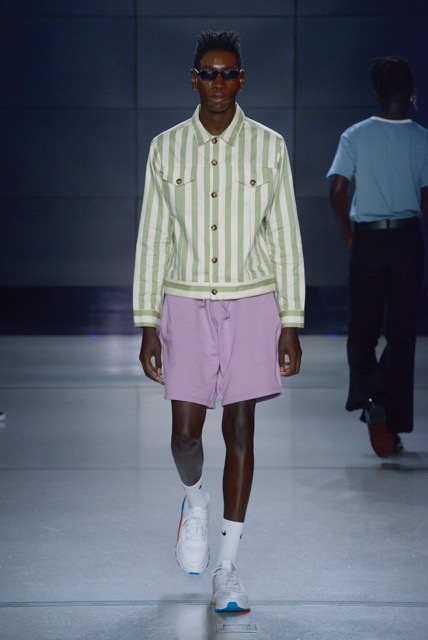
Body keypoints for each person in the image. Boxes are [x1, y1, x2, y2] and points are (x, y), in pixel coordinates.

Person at [133, 29, 305, 612]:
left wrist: (290, 319)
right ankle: (196, 501)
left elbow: (285, 235)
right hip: (184, 301)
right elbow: (153, 237)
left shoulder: (269, 147)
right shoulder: (165, 148)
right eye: (209, 73)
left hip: (252, 302)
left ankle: (227, 570)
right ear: (194, 79)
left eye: (229, 73)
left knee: (241, 431)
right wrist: (148, 322)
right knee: (185, 434)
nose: (218, 83)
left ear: (242, 80)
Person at [327, 56, 428, 458]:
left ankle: (371, 400)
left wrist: (349, 235)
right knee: (402, 335)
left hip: (368, 240)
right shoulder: (422, 139)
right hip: (407, 241)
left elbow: (337, 189)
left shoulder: (355, 135)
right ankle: (392, 420)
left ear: (376, 93)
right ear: (413, 93)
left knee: (363, 330)